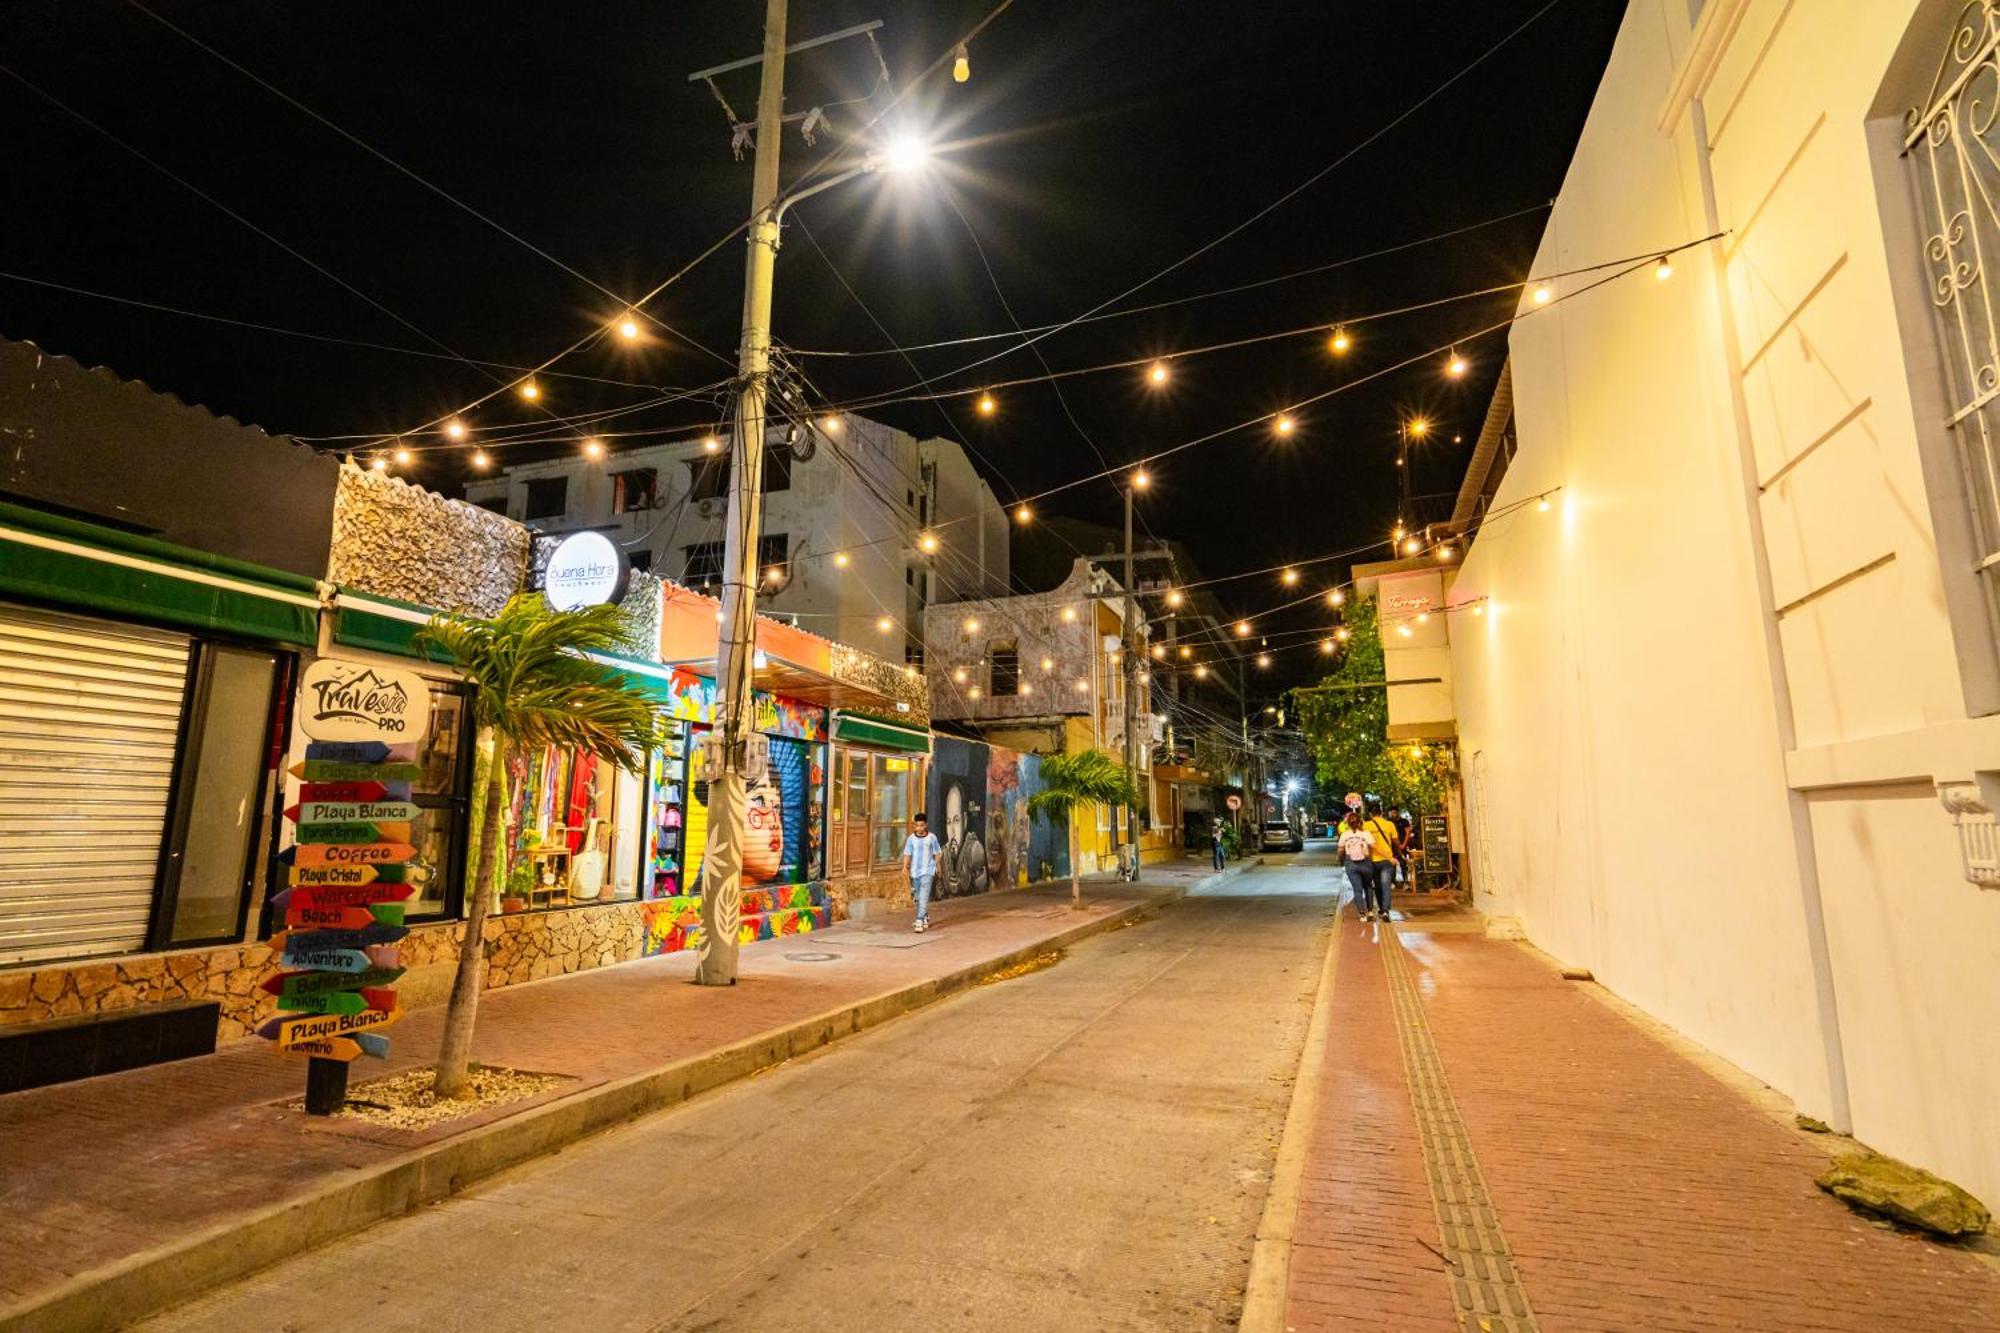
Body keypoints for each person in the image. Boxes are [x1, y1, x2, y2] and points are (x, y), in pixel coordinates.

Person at [901, 813, 942, 933]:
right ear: (914, 826)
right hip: (914, 872)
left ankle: (919, 920)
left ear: (926, 825)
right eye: (917, 826)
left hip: (928, 870)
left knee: (924, 894)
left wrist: (938, 867)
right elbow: (907, 854)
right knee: (918, 897)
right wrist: (905, 867)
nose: (919, 828)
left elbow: (938, 853)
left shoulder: (932, 838)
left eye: (921, 825)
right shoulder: (911, 839)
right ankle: (925, 916)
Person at [1362, 798, 1401, 920]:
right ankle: (1386, 911)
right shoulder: (1389, 824)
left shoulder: (1365, 825)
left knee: (1377, 886)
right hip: (1387, 859)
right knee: (1386, 886)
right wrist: (1400, 849)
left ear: (1370, 814)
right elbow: (1396, 841)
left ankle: (1381, 908)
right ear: (1381, 812)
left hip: (1372, 860)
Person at [1337, 810, 1376, 918]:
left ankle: (1362, 914)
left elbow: (1340, 850)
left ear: (1348, 824)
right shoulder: (1366, 833)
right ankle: (1370, 911)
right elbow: (1373, 846)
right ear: (1360, 822)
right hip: (1366, 862)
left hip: (1351, 863)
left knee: (1357, 889)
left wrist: (1340, 860)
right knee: (1368, 886)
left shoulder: (1344, 835)